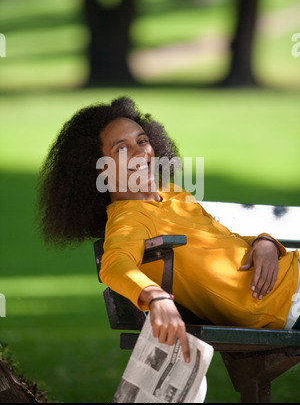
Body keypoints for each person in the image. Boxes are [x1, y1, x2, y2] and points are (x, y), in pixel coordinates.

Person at [37, 97, 300, 364]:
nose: (140, 153)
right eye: (122, 149)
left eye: (142, 141)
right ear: (101, 168)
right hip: (282, 303)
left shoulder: (173, 193)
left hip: (291, 274)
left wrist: (265, 241)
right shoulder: (129, 218)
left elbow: (224, 239)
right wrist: (156, 297)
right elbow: (114, 264)